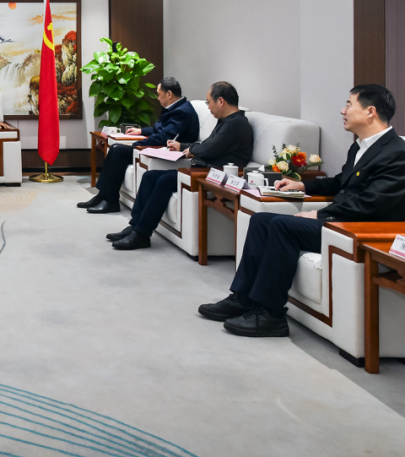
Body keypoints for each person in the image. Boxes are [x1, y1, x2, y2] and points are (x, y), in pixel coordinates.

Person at [200, 85, 405, 337]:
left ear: (370, 111)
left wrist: (321, 215)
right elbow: (340, 182)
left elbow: (372, 204)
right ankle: (242, 298)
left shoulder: (397, 153)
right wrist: (303, 185)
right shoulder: (360, 146)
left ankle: (271, 315)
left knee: (282, 226)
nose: (343, 111)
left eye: (349, 105)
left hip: (360, 229)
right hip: (341, 221)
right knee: (261, 220)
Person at [109, 81, 253, 250]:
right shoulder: (227, 121)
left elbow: (209, 148)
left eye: (209, 102)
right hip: (203, 169)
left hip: (213, 175)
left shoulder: (236, 124)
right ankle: (135, 226)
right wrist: (184, 147)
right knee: (150, 176)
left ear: (221, 101)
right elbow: (207, 145)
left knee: (164, 181)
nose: (208, 107)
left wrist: (191, 149)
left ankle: (142, 234)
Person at [80, 77, 200, 214]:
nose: (158, 98)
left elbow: (164, 137)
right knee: (115, 149)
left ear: (169, 94)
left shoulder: (182, 112)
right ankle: (103, 196)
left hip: (170, 152)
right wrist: (142, 131)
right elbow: (159, 129)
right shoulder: (176, 107)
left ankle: (111, 201)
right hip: (160, 147)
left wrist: (137, 144)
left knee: (118, 150)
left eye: (159, 94)